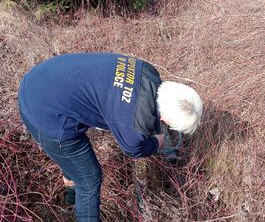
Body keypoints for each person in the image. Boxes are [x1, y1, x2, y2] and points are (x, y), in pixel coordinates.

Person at [18, 52, 203, 222]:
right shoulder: (134, 125)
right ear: (164, 119)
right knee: (89, 178)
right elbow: (133, 149)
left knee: (74, 162)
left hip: (40, 79)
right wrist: (157, 143)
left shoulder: (148, 71)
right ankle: (79, 201)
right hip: (44, 115)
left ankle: (71, 196)